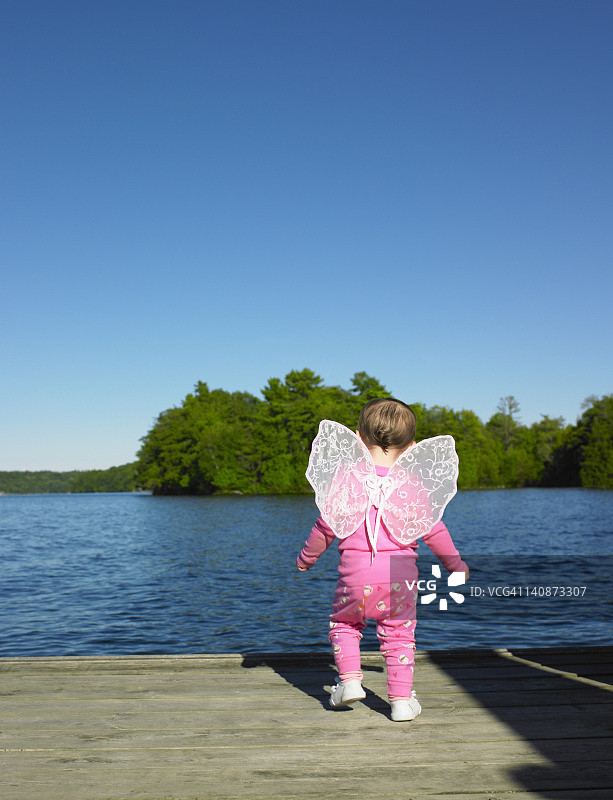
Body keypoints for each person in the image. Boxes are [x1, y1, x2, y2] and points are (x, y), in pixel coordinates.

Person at [296, 397, 468, 722]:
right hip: (398, 580)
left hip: (354, 578)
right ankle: (401, 702)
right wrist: (455, 565)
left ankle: (349, 681)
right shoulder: (413, 485)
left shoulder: (347, 478)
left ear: (357, 438)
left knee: (345, 624)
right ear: (412, 448)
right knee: (399, 635)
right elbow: (434, 530)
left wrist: (307, 558)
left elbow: (325, 527)